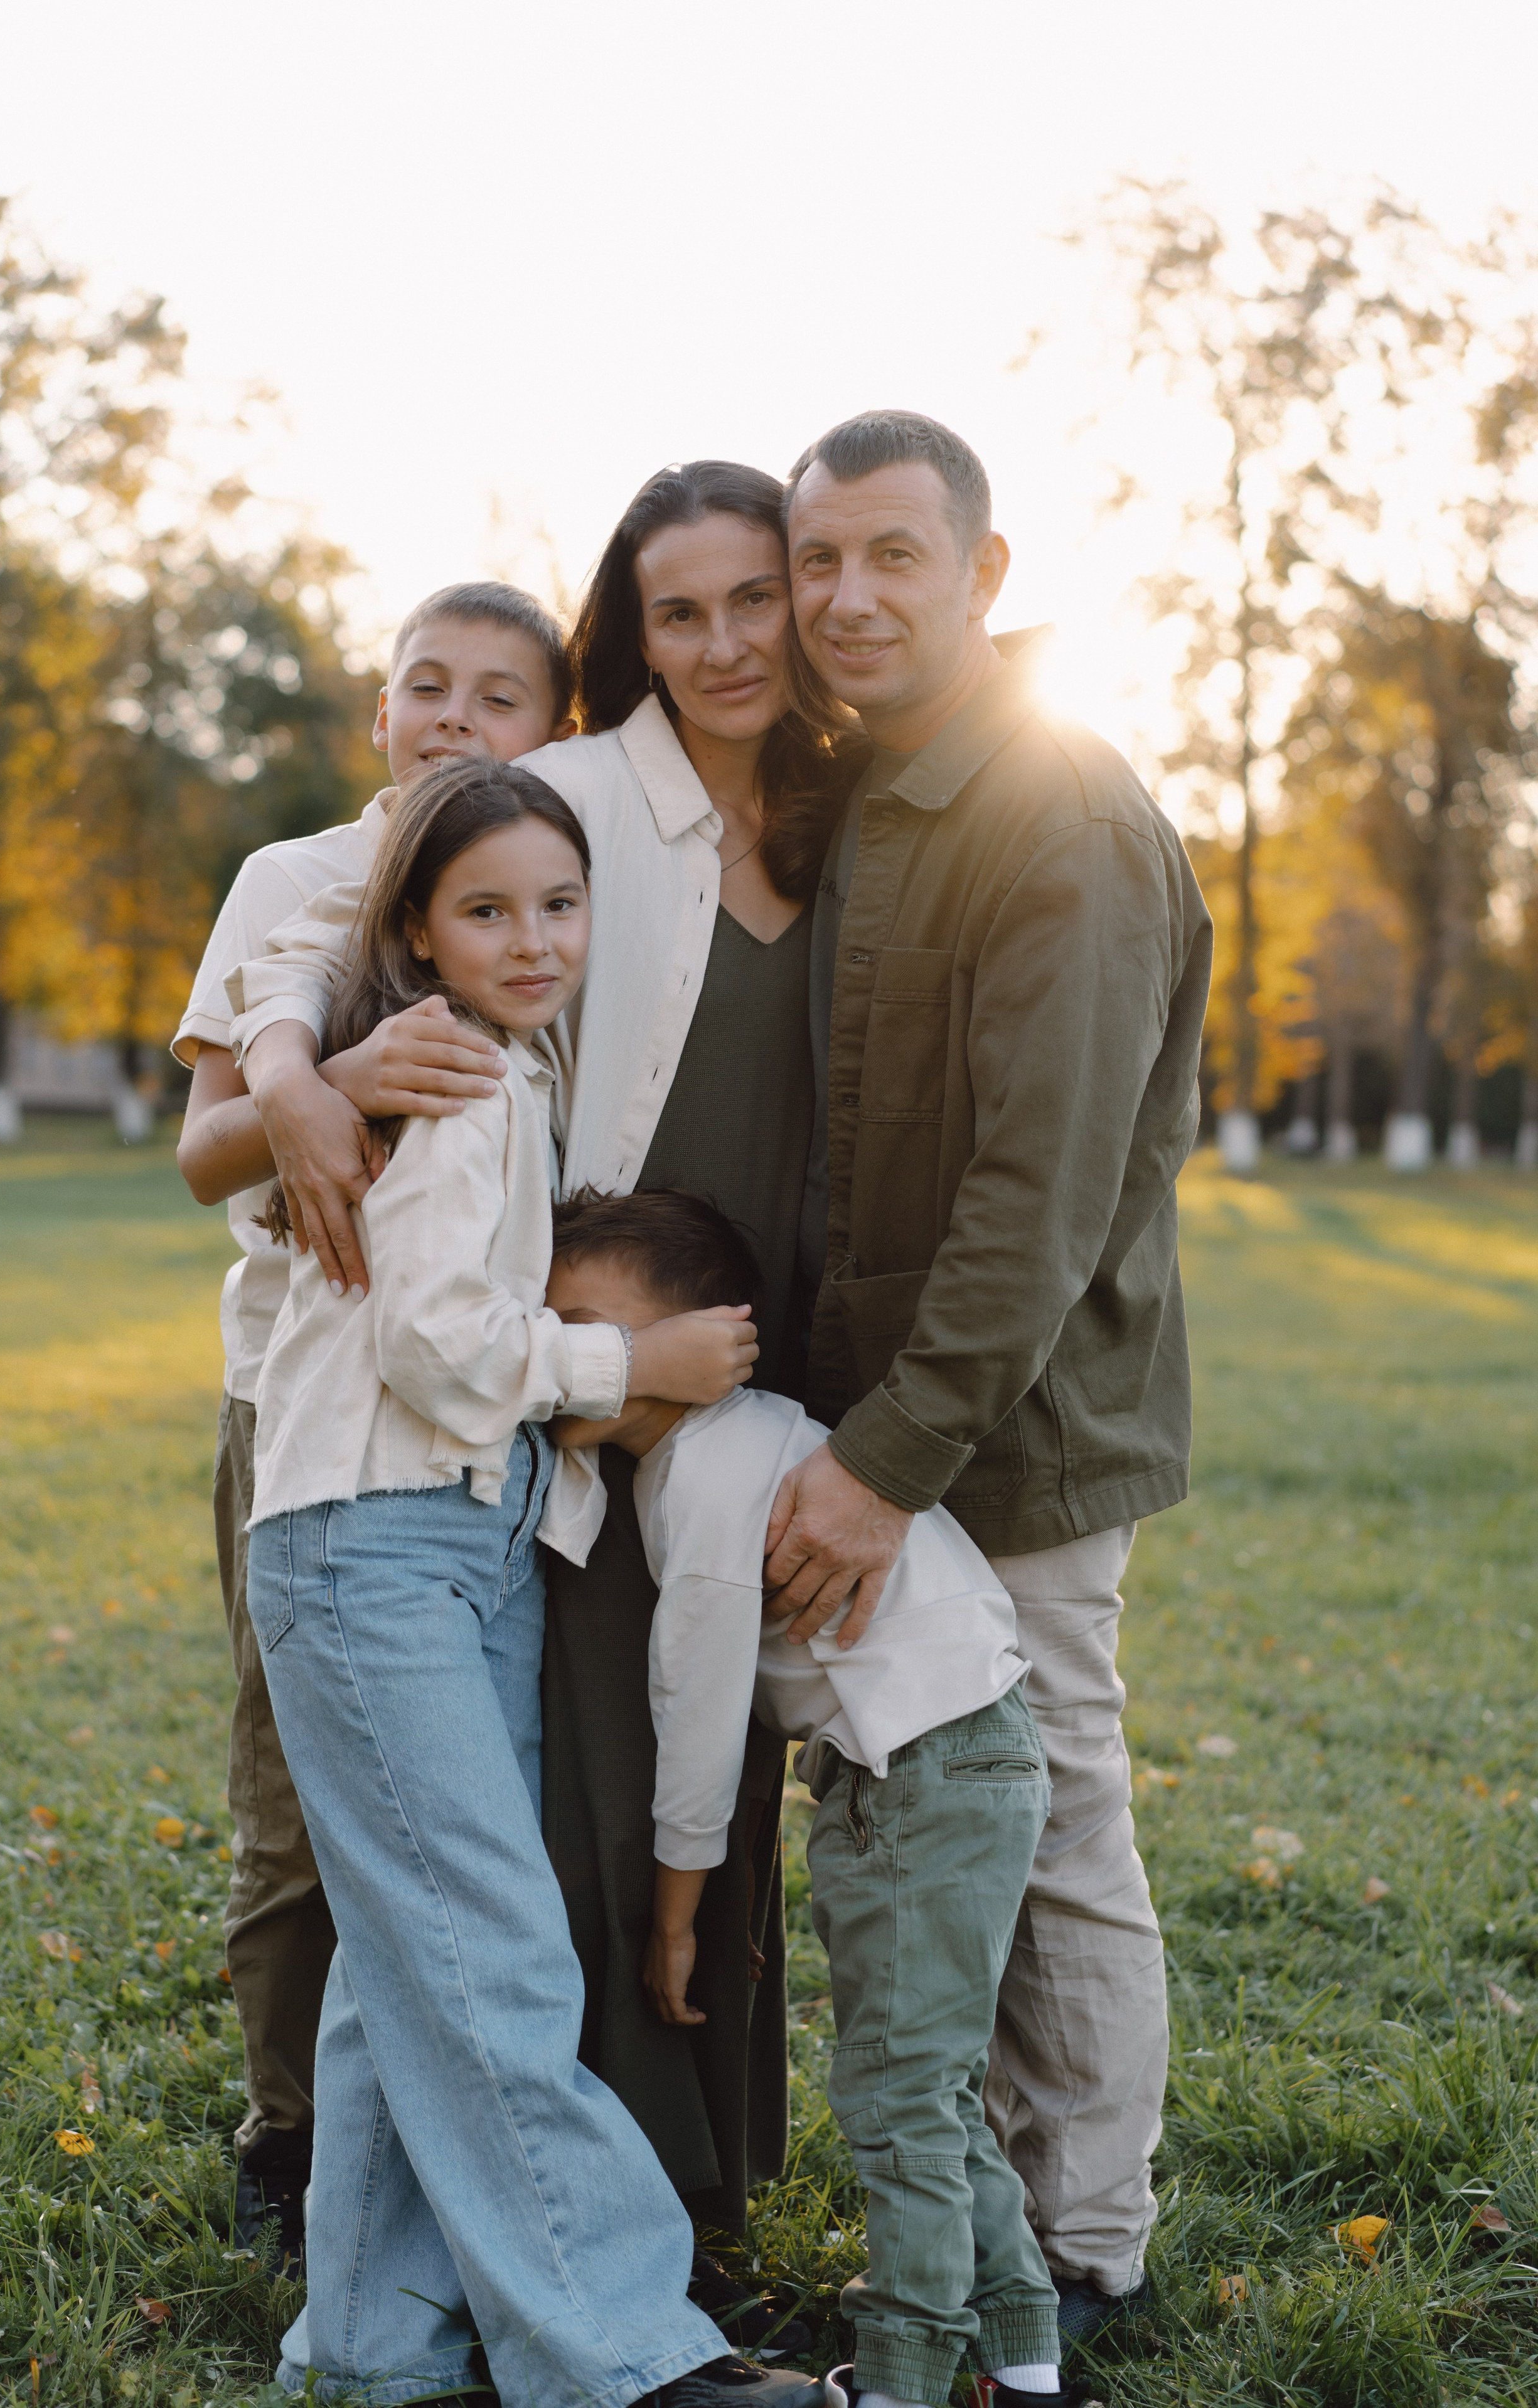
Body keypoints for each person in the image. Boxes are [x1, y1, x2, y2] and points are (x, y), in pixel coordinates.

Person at [229, 461, 863, 2259]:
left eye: (761, 598)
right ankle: (598, 2246)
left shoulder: (845, 807)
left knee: (712, 1734)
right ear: (629, 634)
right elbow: (323, 917)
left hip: (739, 1342)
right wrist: (295, 1074)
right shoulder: (570, 800)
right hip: (546, 1364)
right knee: (537, 1811)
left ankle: (686, 2185)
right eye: (680, 609)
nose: (729, 639)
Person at [763, 412, 1213, 2348]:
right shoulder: (866, 798)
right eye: (819, 563)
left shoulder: (1064, 814)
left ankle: (1089, 2235)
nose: (849, 597)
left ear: (986, 574)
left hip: (1013, 1432)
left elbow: (1037, 1195)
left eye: (894, 557)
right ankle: (985, 2200)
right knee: (934, 1821)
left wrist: (890, 1458)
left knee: (1059, 1829)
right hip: (882, 1421)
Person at [172, 579, 574, 2258]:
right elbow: (203, 1155)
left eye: (500, 693)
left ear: (549, 729)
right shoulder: (299, 881)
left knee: (462, 1808)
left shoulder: (547, 886)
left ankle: (431, 2155)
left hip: (480, 1418)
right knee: (296, 1806)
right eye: (427, 684)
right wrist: (318, 1084)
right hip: (303, 1407)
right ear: (380, 707)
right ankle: (295, 2134)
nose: (455, 717)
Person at [543, 1186, 1084, 2408]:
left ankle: (897, 2376)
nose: (570, 1360)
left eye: (592, 1326)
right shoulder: (732, 1445)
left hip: (927, 1770)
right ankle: (1025, 2363)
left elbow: (696, 1713)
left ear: (707, 1342)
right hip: (928, 1764)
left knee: (897, 2093)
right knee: (928, 2088)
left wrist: (677, 1912)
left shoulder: (713, 1471)